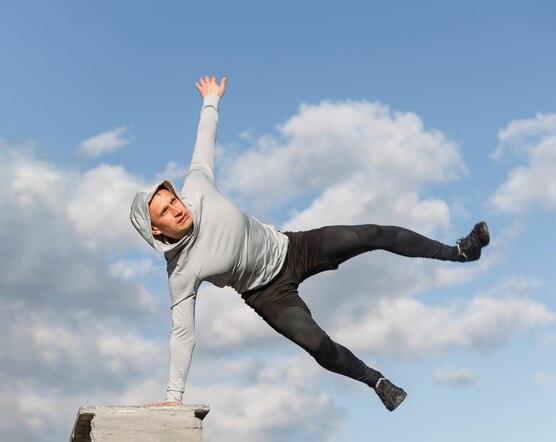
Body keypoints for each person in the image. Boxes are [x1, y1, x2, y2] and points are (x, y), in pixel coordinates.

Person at [130, 75, 490, 412]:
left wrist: (210, 100)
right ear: (157, 231)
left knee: (372, 234)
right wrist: (173, 397)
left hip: (294, 247)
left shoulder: (197, 186)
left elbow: (204, 141)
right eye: (165, 211)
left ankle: (458, 252)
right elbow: (182, 332)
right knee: (315, 343)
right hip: (267, 294)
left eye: (172, 199)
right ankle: (377, 382)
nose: (176, 208)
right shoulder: (180, 271)